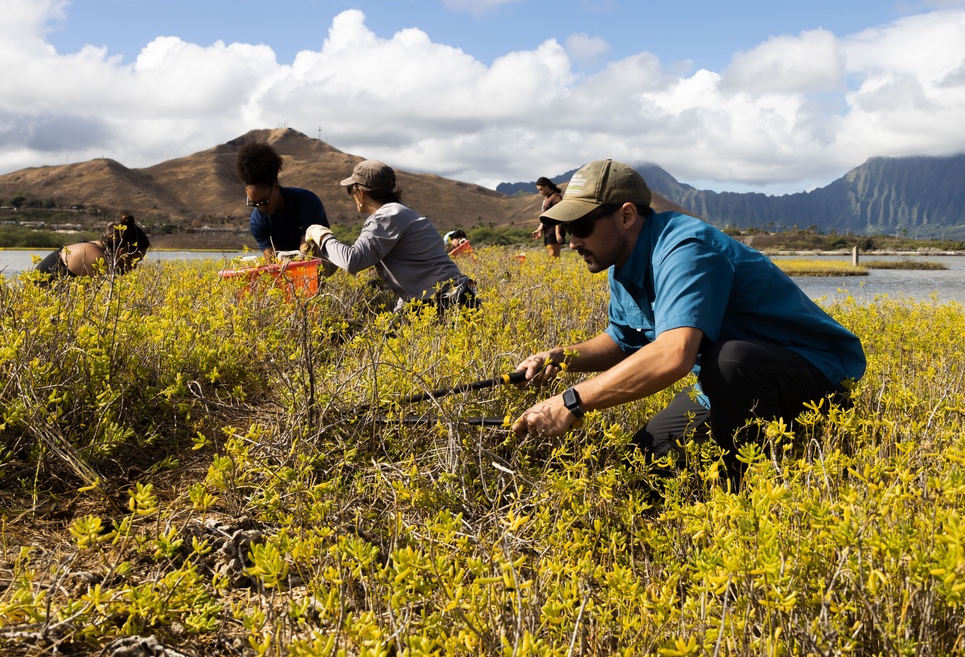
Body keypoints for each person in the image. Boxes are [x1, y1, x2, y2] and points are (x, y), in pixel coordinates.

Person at [511, 160, 867, 490]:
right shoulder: (622, 262)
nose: (572, 242)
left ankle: (741, 497)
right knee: (641, 467)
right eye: (567, 228)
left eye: (581, 227)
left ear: (626, 216)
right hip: (727, 382)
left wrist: (571, 402)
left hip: (815, 378)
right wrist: (559, 357)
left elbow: (674, 355)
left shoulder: (686, 248)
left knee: (729, 359)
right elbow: (622, 340)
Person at [304, 160, 477, 313]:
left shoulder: (386, 217)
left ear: (361, 193)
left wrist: (322, 235)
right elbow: (414, 275)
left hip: (446, 302)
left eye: (351, 190)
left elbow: (352, 261)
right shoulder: (402, 212)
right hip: (456, 297)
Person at [236, 141, 330, 260]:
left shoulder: (308, 202)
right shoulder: (257, 221)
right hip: (289, 262)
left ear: (275, 187)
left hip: (322, 258)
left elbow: (307, 253)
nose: (261, 208)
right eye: (253, 204)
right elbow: (272, 259)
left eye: (264, 201)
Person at [33, 214, 151, 281]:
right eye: (135, 261)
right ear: (123, 251)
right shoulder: (98, 259)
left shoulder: (99, 247)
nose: (134, 267)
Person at [531, 176, 565, 258]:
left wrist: (557, 233)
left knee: (554, 257)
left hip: (554, 231)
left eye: (541, 189)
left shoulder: (556, 197)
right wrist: (540, 229)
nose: (540, 192)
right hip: (547, 231)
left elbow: (558, 215)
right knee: (550, 257)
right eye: (539, 190)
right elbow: (545, 215)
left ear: (547, 186)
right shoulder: (547, 197)